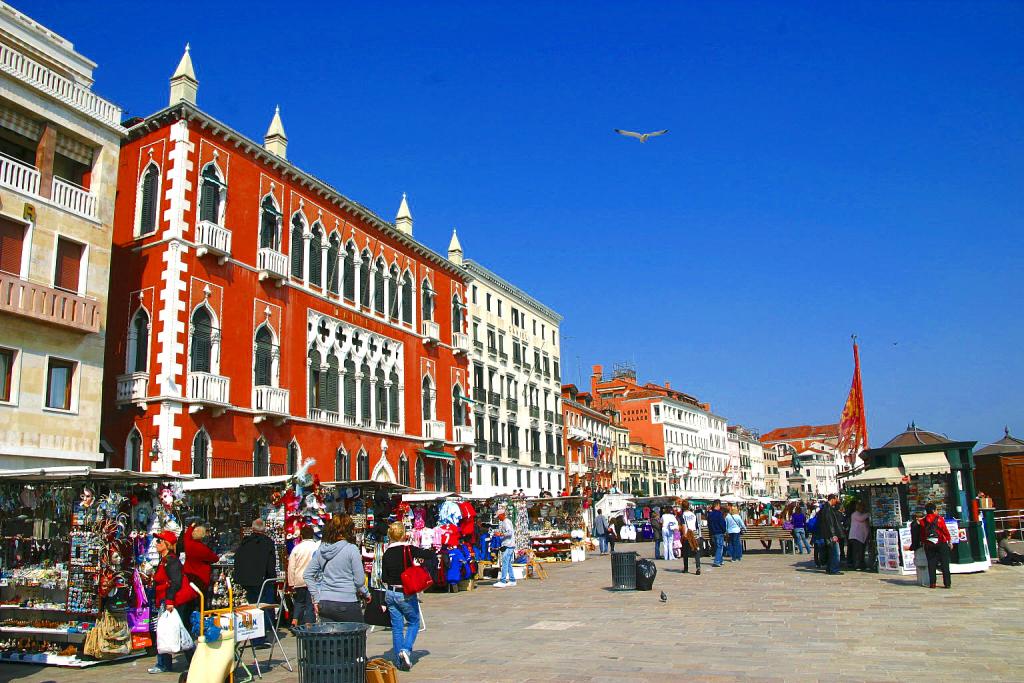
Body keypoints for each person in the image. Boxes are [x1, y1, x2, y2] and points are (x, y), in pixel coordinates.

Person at [381, 522, 432, 671]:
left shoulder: (387, 552)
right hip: (405, 592)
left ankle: (399, 661)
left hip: (390, 592)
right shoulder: (408, 549)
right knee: (413, 621)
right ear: (404, 534)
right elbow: (428, 554)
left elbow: (384, 577)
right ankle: (406, 649)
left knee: (397, 627)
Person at [304, 514, 370, 621]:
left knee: (329, 637)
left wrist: (316, 598)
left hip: (325, 602)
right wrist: (365, 592)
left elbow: (307, 575)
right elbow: (359, 581)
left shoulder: (322, 550)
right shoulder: (351, 549)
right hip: (347, 602)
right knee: (356, 635)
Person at [149, 531, 198, 674]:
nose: (156, 544)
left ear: (167, 544)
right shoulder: (165, 559)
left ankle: (164, 663)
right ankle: (189, 660)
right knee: (176, 631)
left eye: (159, 541)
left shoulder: (171, 560)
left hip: (173, 600)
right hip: (168, 599)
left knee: (173, 631)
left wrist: (169, 600)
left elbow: (175, 582)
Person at [233, 519, 278, 647]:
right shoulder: (267, 543)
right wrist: (272, 577)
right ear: (263, 529)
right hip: (261, 580)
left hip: (247, 580)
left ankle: (254, 636)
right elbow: (271, 564)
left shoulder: (245, 542)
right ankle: (259, 638)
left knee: (252, 607)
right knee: (262, 608)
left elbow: (238, 560)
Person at [287, 526, 320, 628]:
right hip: (313, 580)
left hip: (299, 579)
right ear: (312, 535)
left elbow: (291, 566)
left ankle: (294, 620)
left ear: (301, 536)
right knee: (310, 604)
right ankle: (309, 625)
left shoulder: (296, 548)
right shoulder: (316, 547)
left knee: (299, 602)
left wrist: (291, 582)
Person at [181, 523, 219, 607]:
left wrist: (192, 526)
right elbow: (215, 558)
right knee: (201, 600)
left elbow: (186, 536)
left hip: (189, 574)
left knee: (190, 599)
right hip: (201, 577)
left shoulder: (188, 544)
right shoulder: (203, 548)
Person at [920, 503, 952, 589]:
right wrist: (949, 540)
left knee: (931, 563)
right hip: (941, 542)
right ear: (934, 510)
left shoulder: (922, 521)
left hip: (929, 544)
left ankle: (932, 583)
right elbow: (945, 531)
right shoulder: (940, 519)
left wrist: (924, 542)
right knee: (945, 563)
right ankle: (947, 583)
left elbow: (922, 534)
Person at [818, 494, 846, 575]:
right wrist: (833, 534)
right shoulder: (828, 509)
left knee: (831, 552)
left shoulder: (826, 508)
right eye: (836, 499)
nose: (836, 501)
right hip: (830, 534)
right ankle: (834, 569)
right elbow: (830, 523)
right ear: (832, 499)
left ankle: (830, 568)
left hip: (827, 533)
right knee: (835, 552)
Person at [494, 508, 517, 587]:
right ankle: (512, 579)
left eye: (498, 516)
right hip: (509, 544)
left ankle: (503, 580)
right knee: (508, 563)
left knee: (505, 562)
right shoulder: (506, 521)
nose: (498, 518)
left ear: (501, 515)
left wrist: (500, 534)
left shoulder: (506, 522)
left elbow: (509, 532)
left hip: (508, 544)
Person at [679, 501, 701, 575]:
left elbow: (683, 525)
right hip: (694, 533)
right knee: (696, 551)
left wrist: (684, 535)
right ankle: (698, 567)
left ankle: (686, 568)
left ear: (682, 507)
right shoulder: (693, 514)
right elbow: (697, 526)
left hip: (688, 534)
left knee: (685, 552)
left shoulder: (683, 515)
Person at [847, 502, 870, 570]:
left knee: (861, 551)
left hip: (861, 536)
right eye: (862, 507)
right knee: (857, 552)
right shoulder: (855, 514)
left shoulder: (862, 514)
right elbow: (861, 519)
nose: (863, 508)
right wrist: (869, 514)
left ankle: (862, 565)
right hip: (856, 536)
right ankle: (856, 565)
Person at [707, 501, 726, 567]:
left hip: (712, 532)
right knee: (720, 547)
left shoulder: (710, 514)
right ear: (717, 505)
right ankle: (717, 561)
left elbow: (708, 524)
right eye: (719, 505)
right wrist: (724, 530)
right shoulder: (719, 514)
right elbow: (722, 523)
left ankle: (720, 560)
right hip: (719, 532)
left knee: (716, 546)